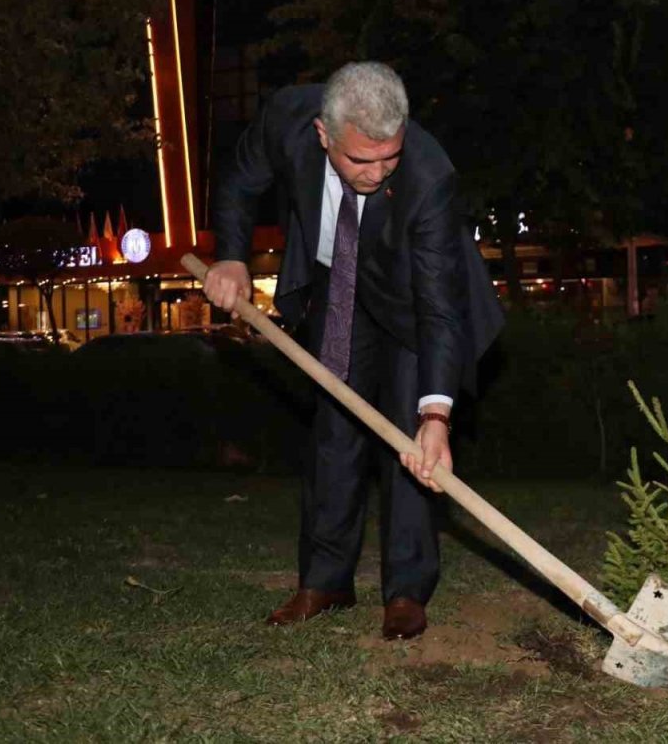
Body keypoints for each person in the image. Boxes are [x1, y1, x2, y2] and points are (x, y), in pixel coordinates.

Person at [204, 62, 503, 640]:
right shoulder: (286, 120)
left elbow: (440, 306)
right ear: (323, 134)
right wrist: (233, 256)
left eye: (388, 157)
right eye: (360, 160)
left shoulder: (428, 173)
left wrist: (436, 415)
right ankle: (325, 582)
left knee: (411, 445)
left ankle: (407, 592)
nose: (376, 172)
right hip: (335, 284)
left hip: (414, 305)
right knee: (333, 432)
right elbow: (240, 180)